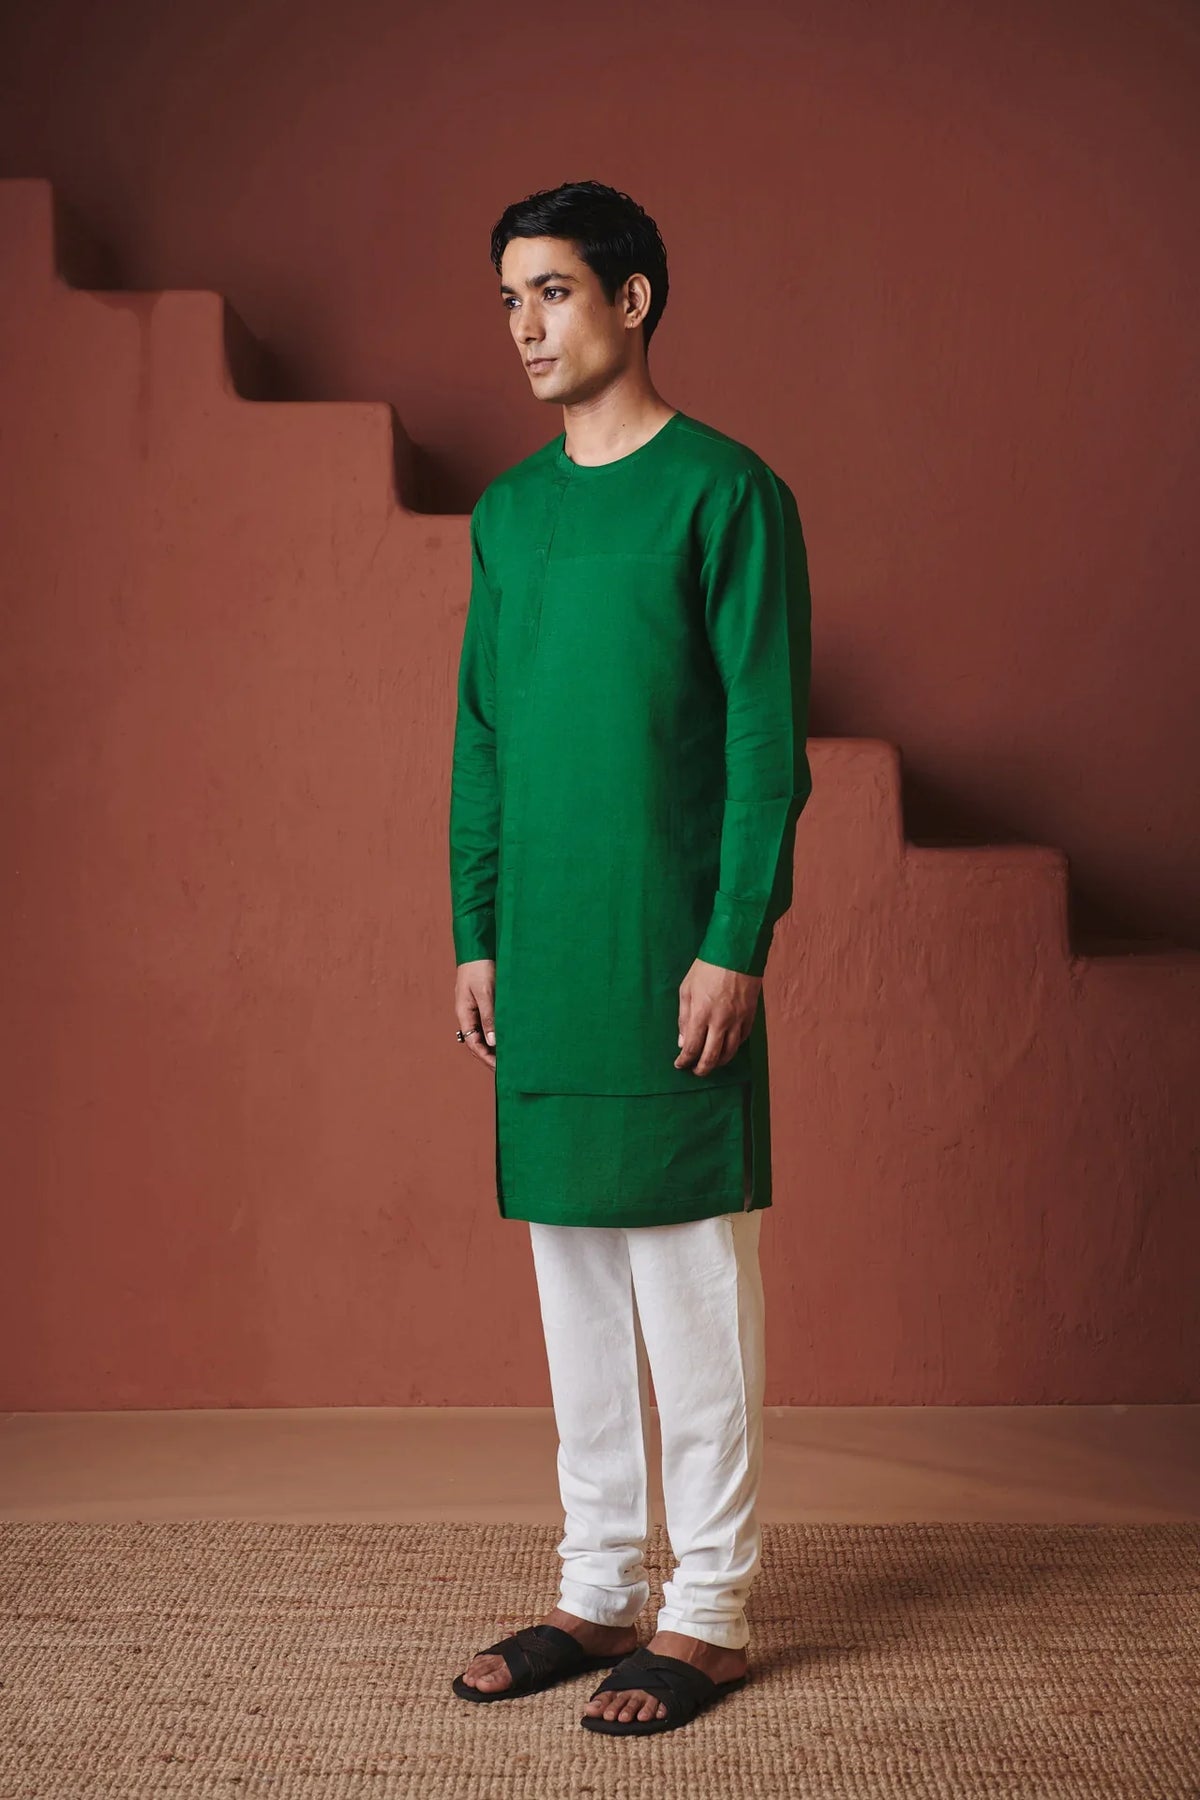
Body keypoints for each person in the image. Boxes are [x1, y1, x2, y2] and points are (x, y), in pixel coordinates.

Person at [448, 180, 812, 1737]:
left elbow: (764, 741)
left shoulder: (727, 494)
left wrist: (735, 939)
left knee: (689, 1286)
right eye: (509, 299)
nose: (525, 327)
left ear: (634, 299)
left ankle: (709, 1610)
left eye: (552, 292)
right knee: (574, 1285)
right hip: (544, 955)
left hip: (670, 949)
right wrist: (474, 929)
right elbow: (483, 732)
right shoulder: (507, 514)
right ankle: (597, 1587)